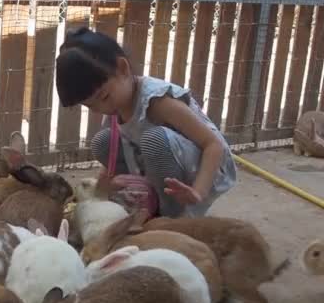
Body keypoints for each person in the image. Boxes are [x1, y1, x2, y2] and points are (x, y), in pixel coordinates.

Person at [55, 26, 237, 218]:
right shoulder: (116, 103)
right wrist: (104, 185)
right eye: (91, 106)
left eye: (105, 97)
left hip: (205, 170)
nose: (103, 109)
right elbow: (115, 148)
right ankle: (144, 200)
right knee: (102, 141)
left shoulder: (158, 102)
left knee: (154, 140)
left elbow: (214, 145)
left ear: (123, 68)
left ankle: (170, 216)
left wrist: (198, 192)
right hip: (160, 160)